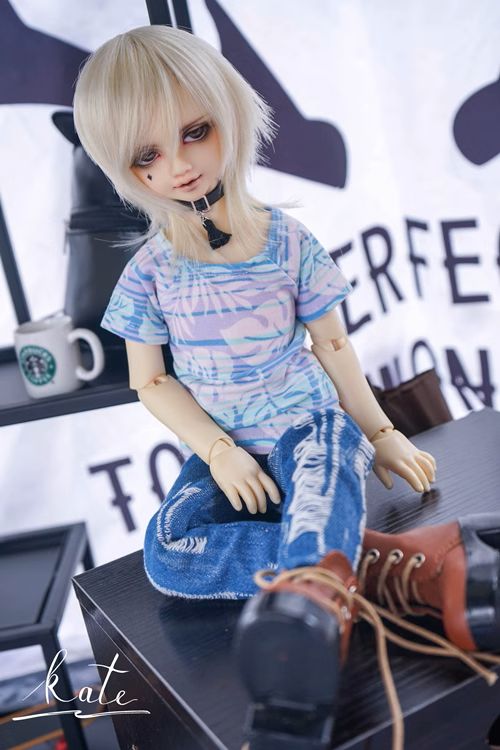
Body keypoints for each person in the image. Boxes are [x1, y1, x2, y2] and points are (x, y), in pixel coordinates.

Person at [73, 25, 500, 750]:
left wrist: (381, 432)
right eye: (148, 155)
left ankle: (311, 619)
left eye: (195, 133)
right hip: (228, 450)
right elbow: (152, 380)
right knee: (168, 552)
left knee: (322, 489)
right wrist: (217, 451)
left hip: (312, 426)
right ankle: (389, 568)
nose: (179, 165)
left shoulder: (288, 242)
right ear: (124, 168)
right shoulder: (148, 274)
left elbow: (332, 344)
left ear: (229, 117)